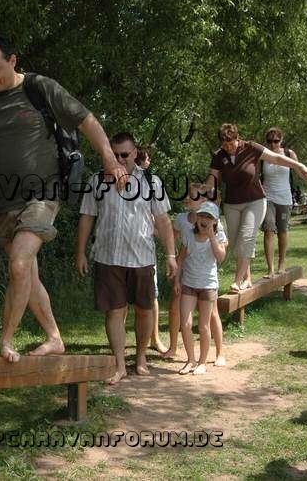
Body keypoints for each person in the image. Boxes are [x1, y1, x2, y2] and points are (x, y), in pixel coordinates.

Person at [0, 36, 127, 363]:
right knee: (26, 273)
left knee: (20, 263)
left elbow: (87, 120)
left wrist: (110, 160)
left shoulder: (40, 88)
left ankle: (5, 340)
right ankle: (55, 337)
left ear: (13, 60)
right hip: (4, 202)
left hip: (44, 194)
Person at [75, 133, 178, 382]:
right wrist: (79, 252)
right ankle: (120, 365)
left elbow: (163, 221)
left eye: (124, 154)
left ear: (135, 153)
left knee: (144, 310)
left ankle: (140, 357)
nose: (119, 159)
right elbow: (87, 216)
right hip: (108, 256)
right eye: (115, 154)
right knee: (114, 312)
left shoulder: (152, 182)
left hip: (142, 257)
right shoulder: (97, 181)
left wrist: (171, 255)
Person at [209, 123, 307, 293]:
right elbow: (211, 180)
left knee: (247, 237)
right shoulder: (219, 155)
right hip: (232, 203)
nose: (228, 147)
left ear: (238, 138)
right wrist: (201, 193)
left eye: (231, 143)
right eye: (224, 144)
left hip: (255, 200)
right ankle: (247, 279)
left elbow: (277, 158)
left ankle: (237, 281)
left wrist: (299, 165)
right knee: (236, 245)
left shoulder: (251, 148)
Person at [162, 182, 227, 366]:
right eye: (188, 195)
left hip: (207, 280)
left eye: (192, 196)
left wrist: (212, 236)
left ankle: (218, 353)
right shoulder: (184, 221)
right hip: (188, 279)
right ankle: (179, 351)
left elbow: (221, 254)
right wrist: (153, 227)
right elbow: (173, 243)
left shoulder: (216, 225)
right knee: (181, 315)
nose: (187, 198)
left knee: (211, 316)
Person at [135, 147, 168, 353]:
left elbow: (159, 217)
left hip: (146, 251)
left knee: (151, 296)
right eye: (147, 159)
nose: (149, 162)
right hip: (125, 254)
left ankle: (154, 339)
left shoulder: (151, 182)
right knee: (121, 304)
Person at [260, 127, 299, 277]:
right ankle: (270, 269)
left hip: (285, 198)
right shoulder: (263, 155)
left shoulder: (289, 154)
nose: (273, 145)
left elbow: (299, 170)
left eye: (276, 141)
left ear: (281, 141)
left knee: (282, 232)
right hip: (268, 197)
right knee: (269, 231)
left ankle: (282, 264)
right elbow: (255, 174)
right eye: (269, 141)